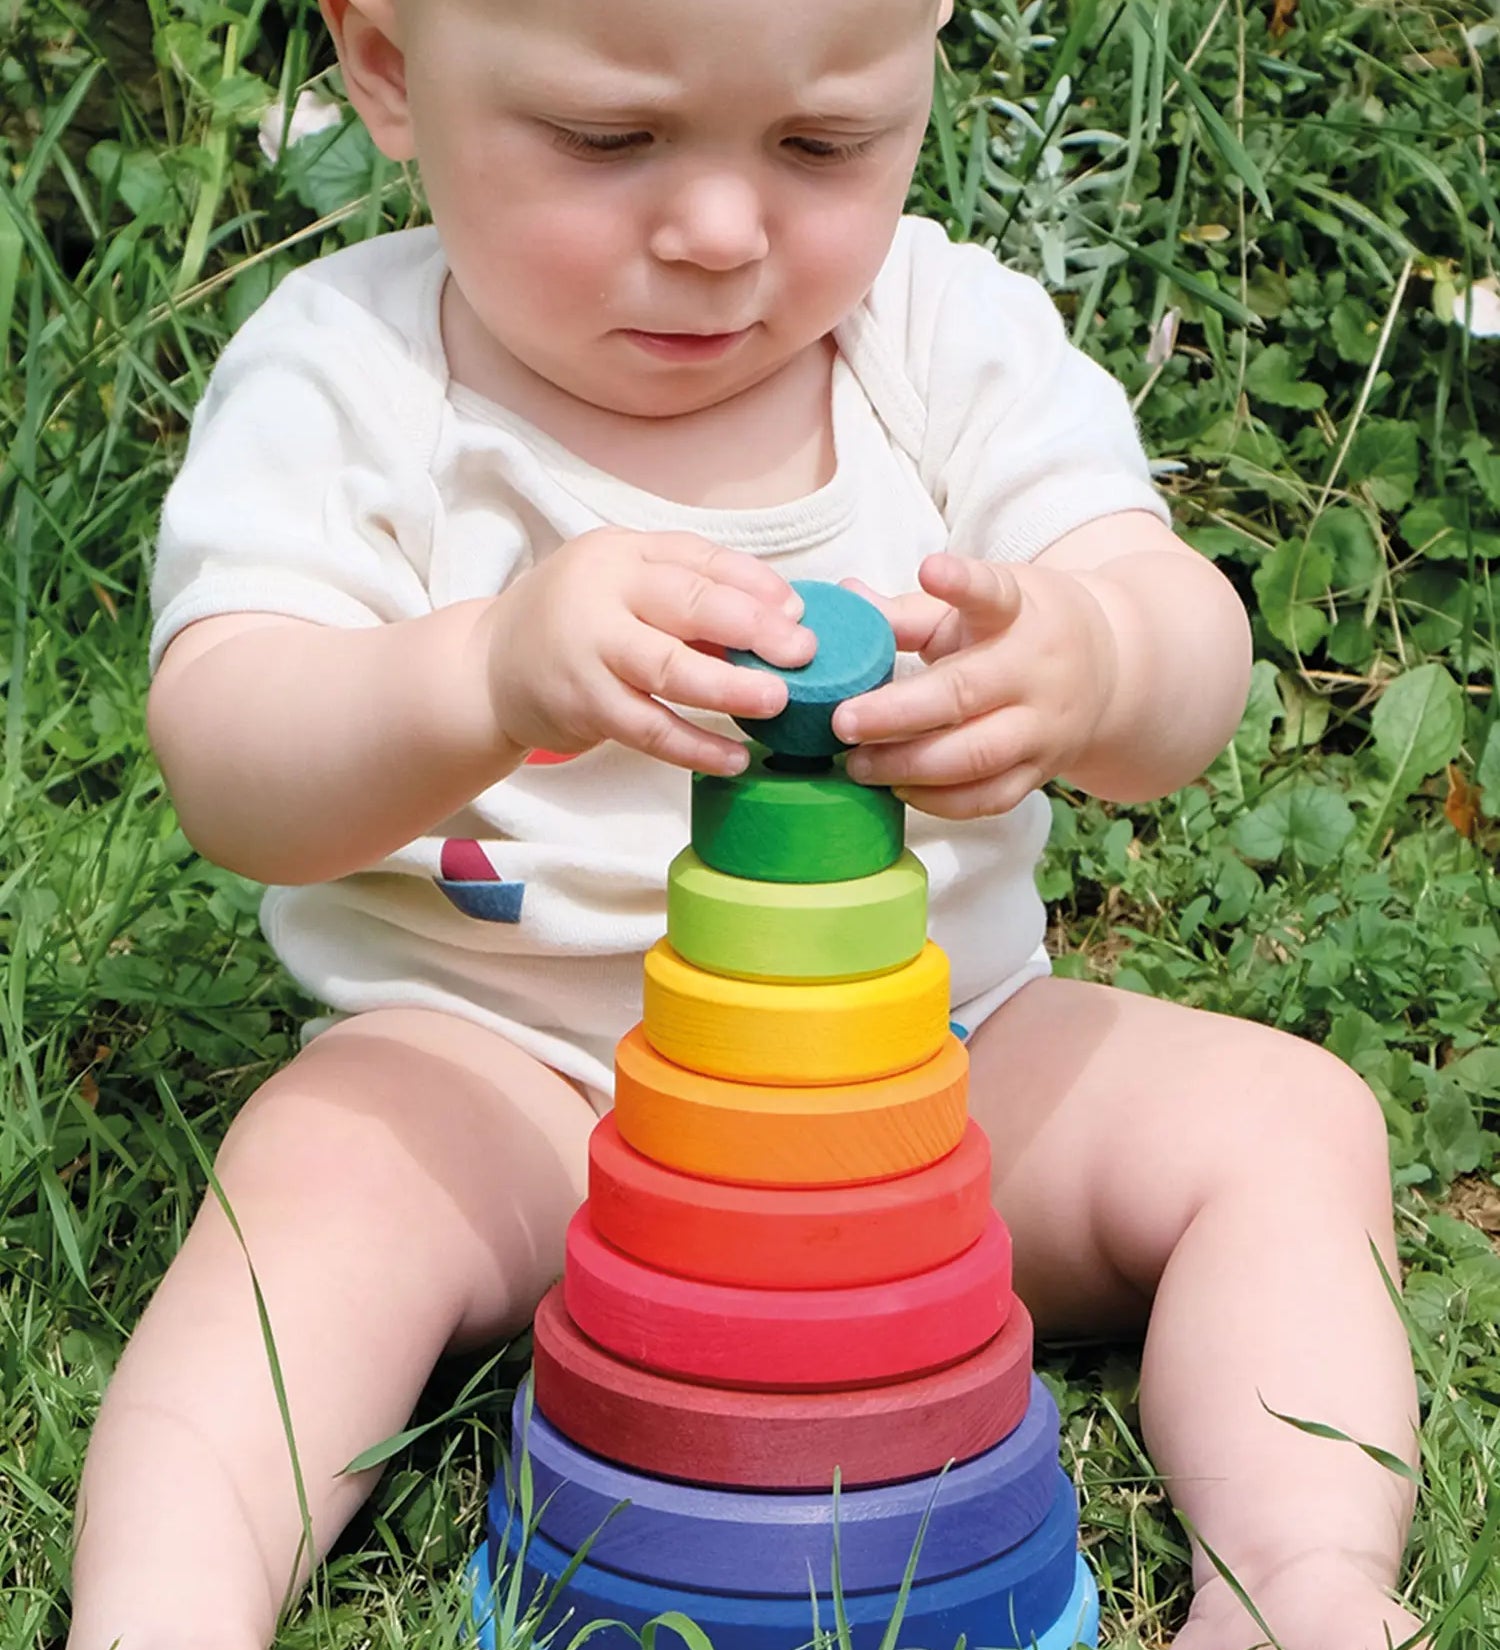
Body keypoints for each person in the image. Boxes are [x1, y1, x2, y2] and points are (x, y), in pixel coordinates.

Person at [67, 2, 1425, 1648]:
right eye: (608, 139)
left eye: (821, 145)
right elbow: (232, 758)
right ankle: (163, 1615)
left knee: (1292, 1120)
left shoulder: (941, 334)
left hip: (931, 1089)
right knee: (309, 1194)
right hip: (517, 1088)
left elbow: (1184, 648)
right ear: (388, 68)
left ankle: (1302, 1584)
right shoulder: (347, 373)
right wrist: (482, 674)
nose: (719, 233)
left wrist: (1097, 655)